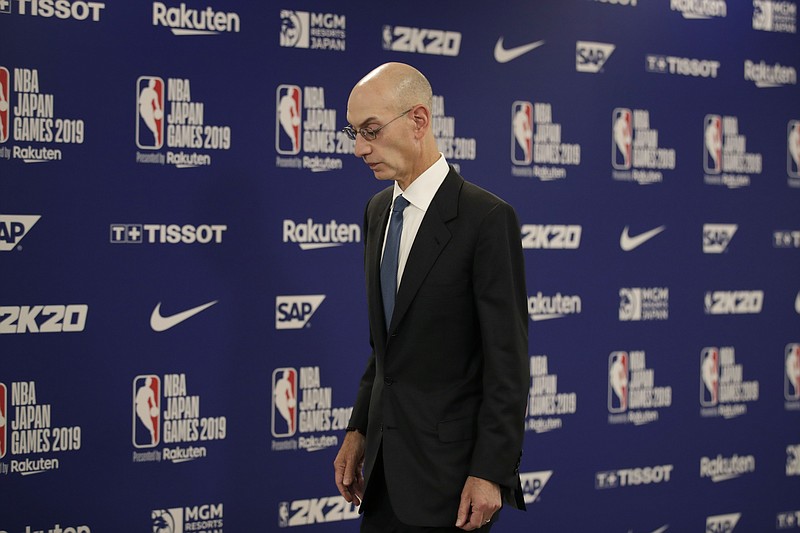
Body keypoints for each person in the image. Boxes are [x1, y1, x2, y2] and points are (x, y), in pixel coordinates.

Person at [333, 62, 529, 532]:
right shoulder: (377, 211)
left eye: (371, 130)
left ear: (418, 121)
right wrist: (359, 427)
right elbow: (387, 345)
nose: (360, 148)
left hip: (452, 482)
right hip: (380, 476)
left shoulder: (485, 219)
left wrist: (490, 473)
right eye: (354, 132)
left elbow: (508, 364)